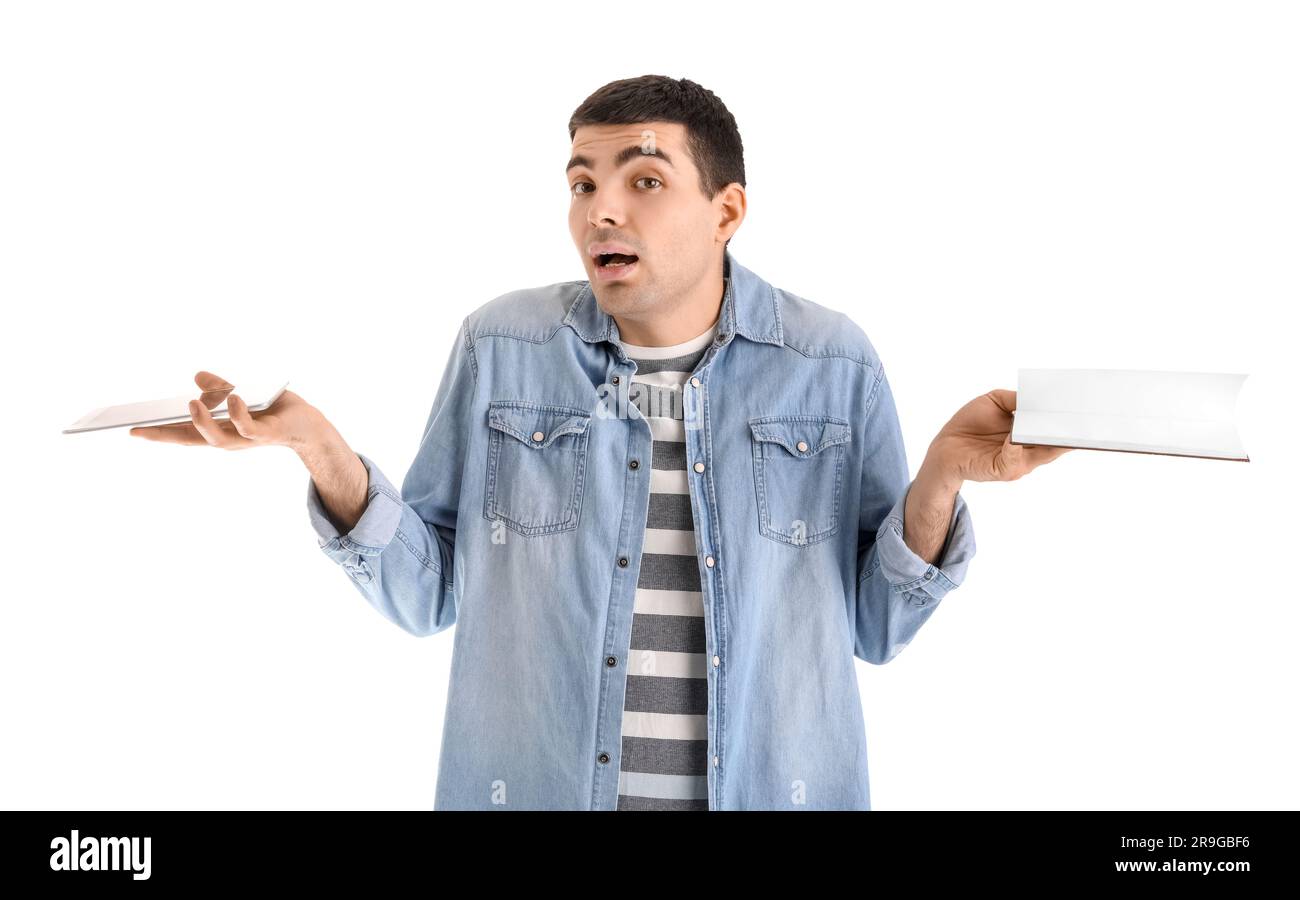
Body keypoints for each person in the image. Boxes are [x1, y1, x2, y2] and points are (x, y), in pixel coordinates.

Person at [130, 75, 1072, 810]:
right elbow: (427, 596)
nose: (600, 210)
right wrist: (321, 451)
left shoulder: (831, 362)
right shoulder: (504, 347)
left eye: (644, 181)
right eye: (583, 182)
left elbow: (876, 627)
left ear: (728, 211)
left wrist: (944, 475)